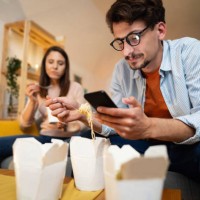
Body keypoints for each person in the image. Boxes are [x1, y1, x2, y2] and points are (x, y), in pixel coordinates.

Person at [46, 0, 200, 183]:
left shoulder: (189, 52)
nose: (126, 52)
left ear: (160, 31)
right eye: (120, 42)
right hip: (145, 144)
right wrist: (81, 112)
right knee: (86, 139)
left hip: (187, 147)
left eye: (134, 38)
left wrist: (148, 126)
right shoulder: (122, 69)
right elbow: (114, 124)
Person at [0, 45, 86, 164]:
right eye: (51, 62)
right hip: (44, 139)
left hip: (70, 140)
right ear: (44, 64)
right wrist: (32, 100)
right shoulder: (38, 88)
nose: (55, 66)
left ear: (66, 67)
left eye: (60, 63)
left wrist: (67, 124)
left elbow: (85, 119)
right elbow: (24, 125)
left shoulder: (76, 87)